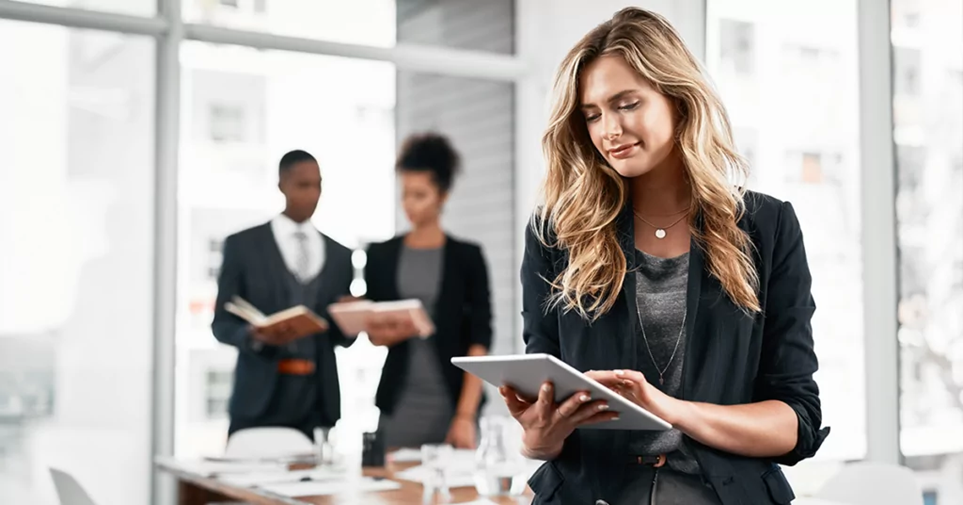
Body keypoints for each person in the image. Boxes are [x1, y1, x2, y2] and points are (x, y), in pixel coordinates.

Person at [500, 8, 829, 505]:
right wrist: (538, 435)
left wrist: (670, 409)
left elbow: (796, 421)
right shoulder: (557, 234)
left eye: (627, 104)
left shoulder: (766, 226)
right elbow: (543, 435)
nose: (609, 130)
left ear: (678, 98)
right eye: (592, 115)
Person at [212, 149, 355, 441]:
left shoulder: (340, 256)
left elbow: (342, 339)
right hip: (257, 401)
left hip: (317, 404)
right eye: (303, 185)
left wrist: (353, 320)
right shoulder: (242, 246)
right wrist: (253, 336)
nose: (312, 195)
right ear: (282, 185)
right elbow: (222, 324)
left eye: (318, 185)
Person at [364, 133, 492, 450]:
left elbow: (479, 340)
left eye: (419, 195)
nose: (409, 204)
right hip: (398, 403)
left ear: (442, 196)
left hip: (454, 403)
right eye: (405, 194)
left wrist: (465, 416)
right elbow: (376, 337)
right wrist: (401, 327)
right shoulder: (381, 255)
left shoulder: (467, 257)